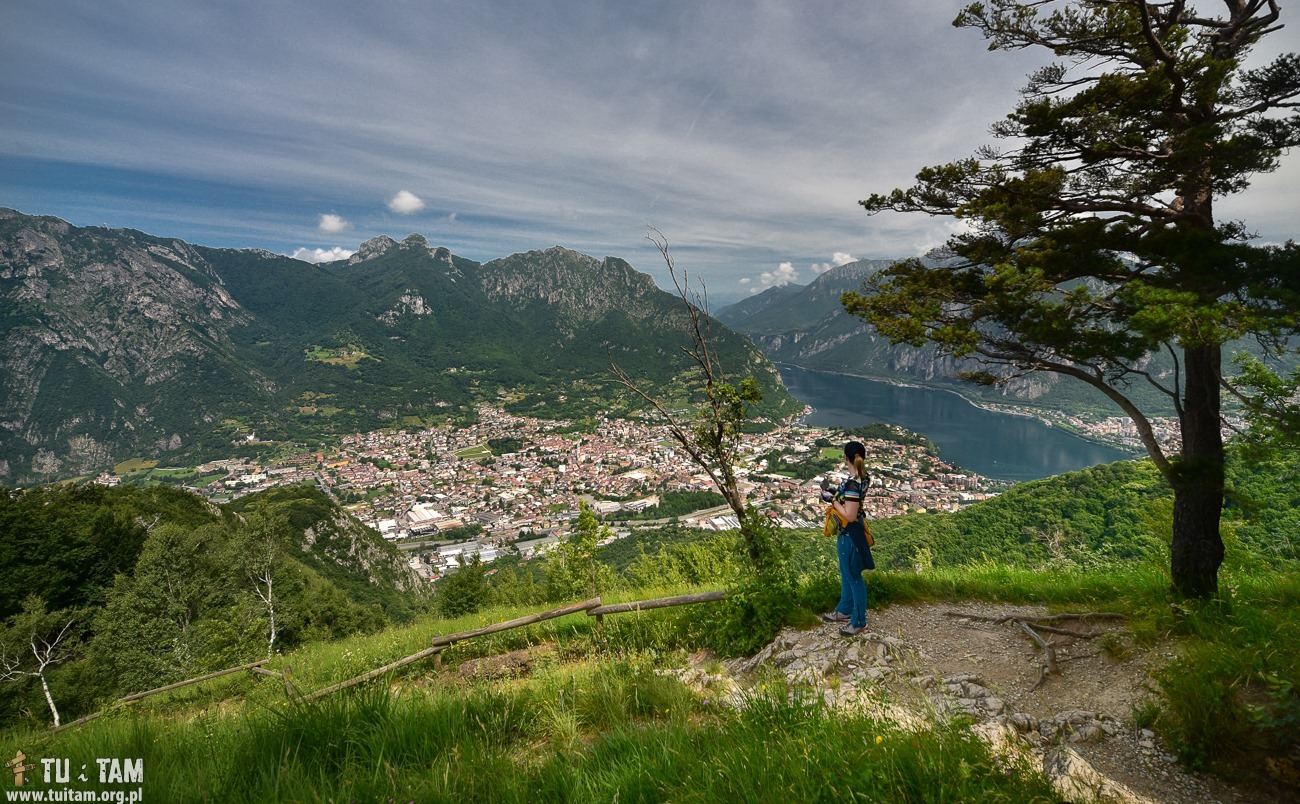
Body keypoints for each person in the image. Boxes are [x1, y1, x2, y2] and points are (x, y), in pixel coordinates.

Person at [819, 440, 874, 636]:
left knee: (853, 577)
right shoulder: (863, 477)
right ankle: (844, 609)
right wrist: (837, 493)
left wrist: (832, 500)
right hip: (855, 531)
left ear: (845, 458)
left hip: (849, 533)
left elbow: (849, 515)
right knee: (847, 573)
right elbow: (853, 499)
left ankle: (858, 621)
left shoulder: (852, 483)